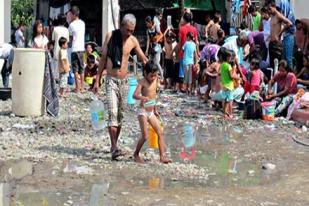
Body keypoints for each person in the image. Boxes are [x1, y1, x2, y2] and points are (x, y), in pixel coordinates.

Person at [93, 14, 148, 160]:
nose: (129, 33)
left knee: (120, 116)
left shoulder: (133, 41)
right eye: (128, 30)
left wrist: (152, 72)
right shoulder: (111, 36)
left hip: (125, 82)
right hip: (111, 80)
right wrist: (97, 79)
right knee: (112, 112)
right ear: (121, 26)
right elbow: (103, 58)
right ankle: (114, 147)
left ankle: (114, 145)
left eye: (132, 30)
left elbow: (142, 58)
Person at [133, 61, 171, 164]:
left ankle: (162, 157)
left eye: (155, 75)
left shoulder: (156, 80)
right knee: (145, 136)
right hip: (143, 112)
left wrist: (155, 109)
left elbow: (153, 95)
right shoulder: (142, 82)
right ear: (145, 73)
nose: (153, 78)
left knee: (160, 132)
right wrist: (142, 97)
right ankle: (136, 154)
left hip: (151, 112)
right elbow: (134, 95)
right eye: (151, 76)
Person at [267, 1, 293, 69]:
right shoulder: (272, 16)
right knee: (272, 65)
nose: (269, 11)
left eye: (270, 9)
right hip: (271, 43)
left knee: (277, 64)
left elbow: (289, 23)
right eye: (268, 9)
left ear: (274, 7)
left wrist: (279, 34)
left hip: (277, 44)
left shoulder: (278, 15)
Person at [178, 12, 198, 92]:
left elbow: (179, 43)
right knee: (191, 72)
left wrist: (178, 52)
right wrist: (197, 53)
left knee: (183, 72)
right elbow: (196, 42)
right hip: (192, 54)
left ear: (184, 19)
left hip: (183, 54)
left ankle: (184, 88)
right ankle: (190, 88)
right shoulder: (194, 29)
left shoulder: (181, 29)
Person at [69, 6, 86, 93]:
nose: (70, 16)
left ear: (73, 14)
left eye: (71, 14)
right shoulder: (83, 23)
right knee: (82, 69)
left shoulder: (71, 25)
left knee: (75, 69)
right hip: (81, 49)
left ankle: (77, 88)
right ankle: (82, 88)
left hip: (74, 49)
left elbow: (71, 39)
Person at [220, 49, 238, 119]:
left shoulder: (222, 65)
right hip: (229, 85)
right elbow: (231, 76)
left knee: (224, 99)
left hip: (223, 85)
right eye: (230, 57)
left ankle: (224, 113)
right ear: (227, 57)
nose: (231, 58)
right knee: (230, 100)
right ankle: (230, 114)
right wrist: (238, 77)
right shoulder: (228, 66)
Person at [52, 14, 70, 80]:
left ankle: (56, 82)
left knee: (56, 70)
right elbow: (67, 41)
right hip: (64, 51)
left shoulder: (55, 29)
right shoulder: (67, 30)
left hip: (56, 50)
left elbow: (53, 40)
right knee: (64, 67)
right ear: (65, 21)